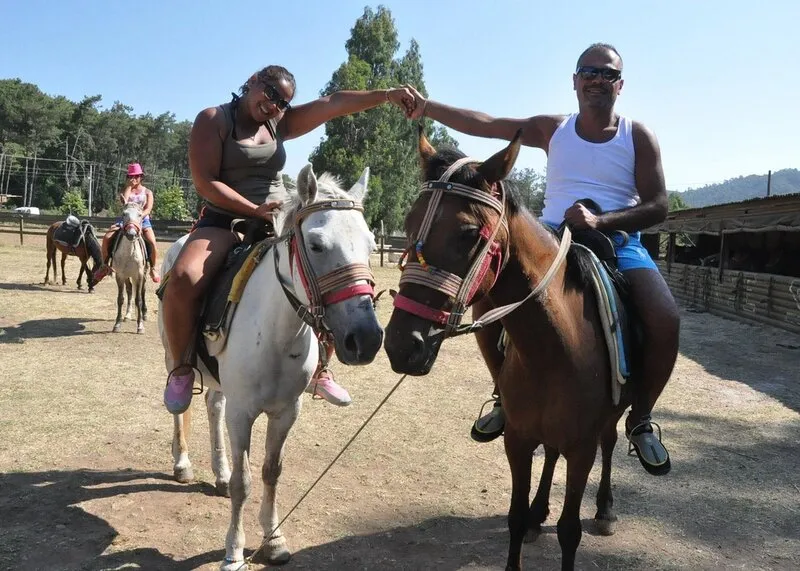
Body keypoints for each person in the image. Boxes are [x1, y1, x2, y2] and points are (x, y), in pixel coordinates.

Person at [401, 43, 679, 475]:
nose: (597, 79)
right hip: (553, 239)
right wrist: (427, 108)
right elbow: (490, 124)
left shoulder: (636, 135)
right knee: (484, 302)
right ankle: (504, 395)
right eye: (589, 71)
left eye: (607, 74)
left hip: (618, 241)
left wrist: (602, 219)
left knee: (664, 319)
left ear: (619, 86)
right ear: (575, 81)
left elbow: (659, 204)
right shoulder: (554, 129)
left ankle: (640, 417)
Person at [162, 64, 415, 415]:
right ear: (252, 82)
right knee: (183, 278)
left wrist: (387, 96)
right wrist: (254, 209)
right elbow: (206, 183)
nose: (275, 105)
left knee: (326, 270)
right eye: (270, 94)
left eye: (283, 102)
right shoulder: (213, 120)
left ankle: (321, 367)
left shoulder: (279, 122)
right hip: (225, 220)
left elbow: (334, 102)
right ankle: (182, 368)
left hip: (279, 219)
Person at [94, 163, 161, 283]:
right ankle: (104, 266)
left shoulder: (147, 192)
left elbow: (148, 209)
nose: (133, 179)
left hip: (142, 221)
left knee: (152, 242)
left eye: (136, 176)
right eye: (130, 176)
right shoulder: (127, 190)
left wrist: (139, 218)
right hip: (125, 221)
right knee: (107, 237)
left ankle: (153, 268)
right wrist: (129, 187)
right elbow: (124, 205)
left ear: (141, 177)